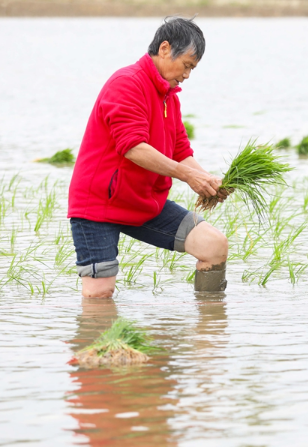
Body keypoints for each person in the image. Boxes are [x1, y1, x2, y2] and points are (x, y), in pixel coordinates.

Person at [68, 17, 228, 298]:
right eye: (187, 65)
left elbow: (180, 151)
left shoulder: (169, 97)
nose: (188, 75)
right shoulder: (127, 83)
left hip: (142, 203)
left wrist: (206, 179)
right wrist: (188, 176)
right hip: (98, 207)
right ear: (165, 48)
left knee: (213, 245)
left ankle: (208, 329)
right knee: (99, 295)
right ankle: (104, 342)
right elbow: (133, 147)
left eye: (193, 68)